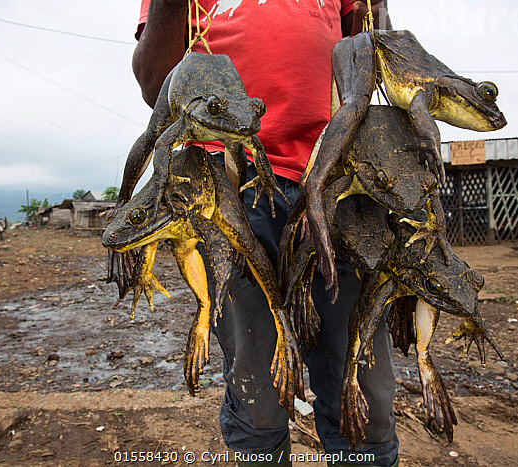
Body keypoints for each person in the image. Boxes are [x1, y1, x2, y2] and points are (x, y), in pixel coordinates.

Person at [131, 1, 397, 466]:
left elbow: (371, 62)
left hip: (336, 177)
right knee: (258, 389)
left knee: (364, 391)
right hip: (228, 180)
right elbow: (157, 87)